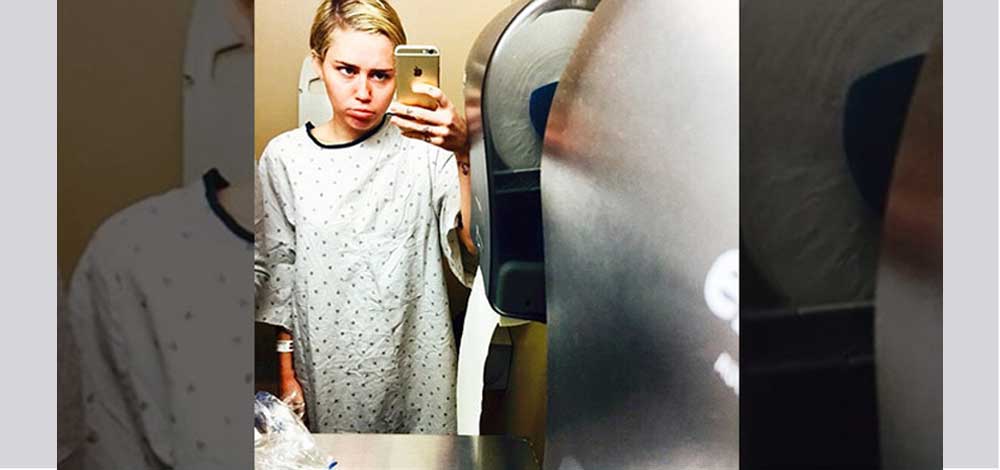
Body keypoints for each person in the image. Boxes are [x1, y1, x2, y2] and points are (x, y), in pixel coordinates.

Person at [254, 0, 477, 435]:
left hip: (418, 366)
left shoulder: (426, 149)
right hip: (327, 367)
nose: (363, 92)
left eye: (380, 75)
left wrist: (463, 153)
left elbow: (472, 244)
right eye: (347, 70)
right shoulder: (285, 159)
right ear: (317, 63)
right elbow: (281, 272)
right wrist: (286, 373)